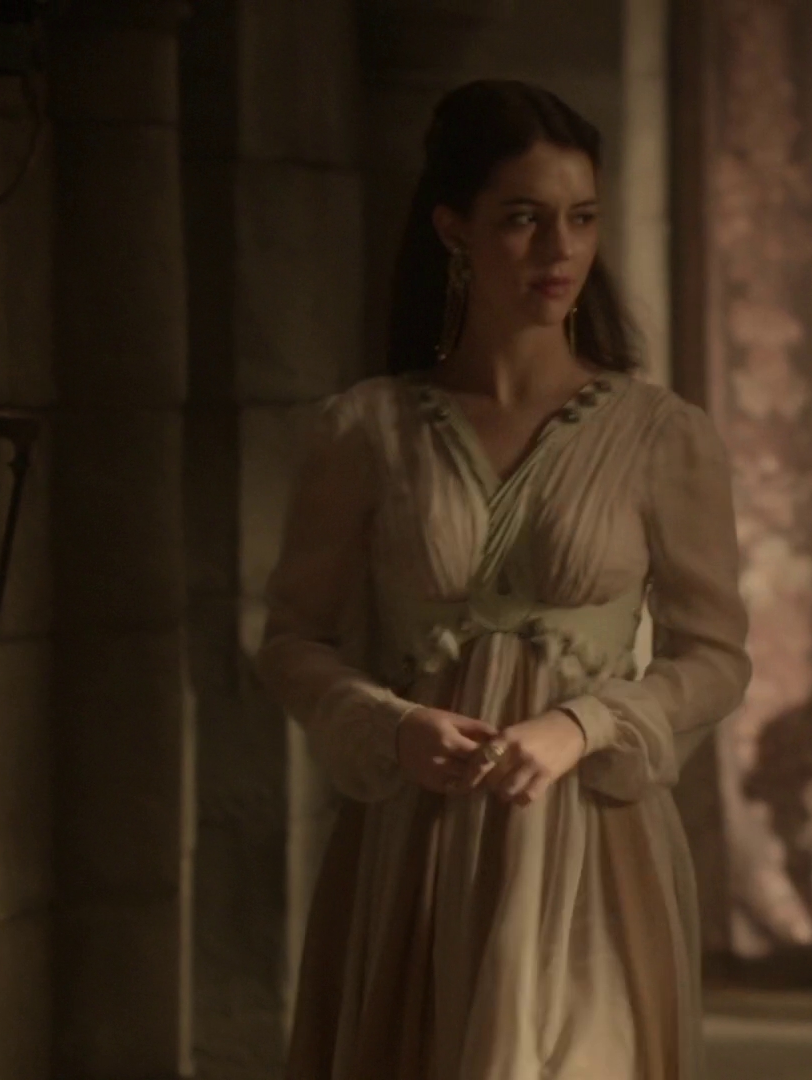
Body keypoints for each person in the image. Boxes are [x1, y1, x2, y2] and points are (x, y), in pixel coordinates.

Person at [254, 79, 751, 1080]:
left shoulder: (661, 435)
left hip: (592, 853)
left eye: (582, 218)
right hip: (417, 850)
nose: (560, 250)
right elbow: (292, 641)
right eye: (524, 219)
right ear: (456, 229)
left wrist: (584, 726)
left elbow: (715, 658)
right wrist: (390, 722)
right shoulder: (366, 430)